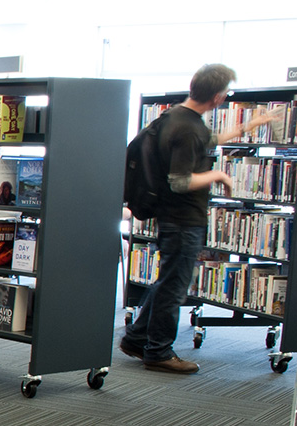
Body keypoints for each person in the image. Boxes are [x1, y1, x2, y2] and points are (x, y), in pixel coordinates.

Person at [120, 64, 281, 373]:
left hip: (170, 216)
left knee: (167, 281)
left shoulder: (176, 117)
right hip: (182, 219)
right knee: (174, 288)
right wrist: (218, 175)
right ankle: (158, 352)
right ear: (217, 97)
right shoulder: (188, 129)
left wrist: (249, 125)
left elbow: (209, 139)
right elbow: (180, 181)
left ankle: (137, 338)